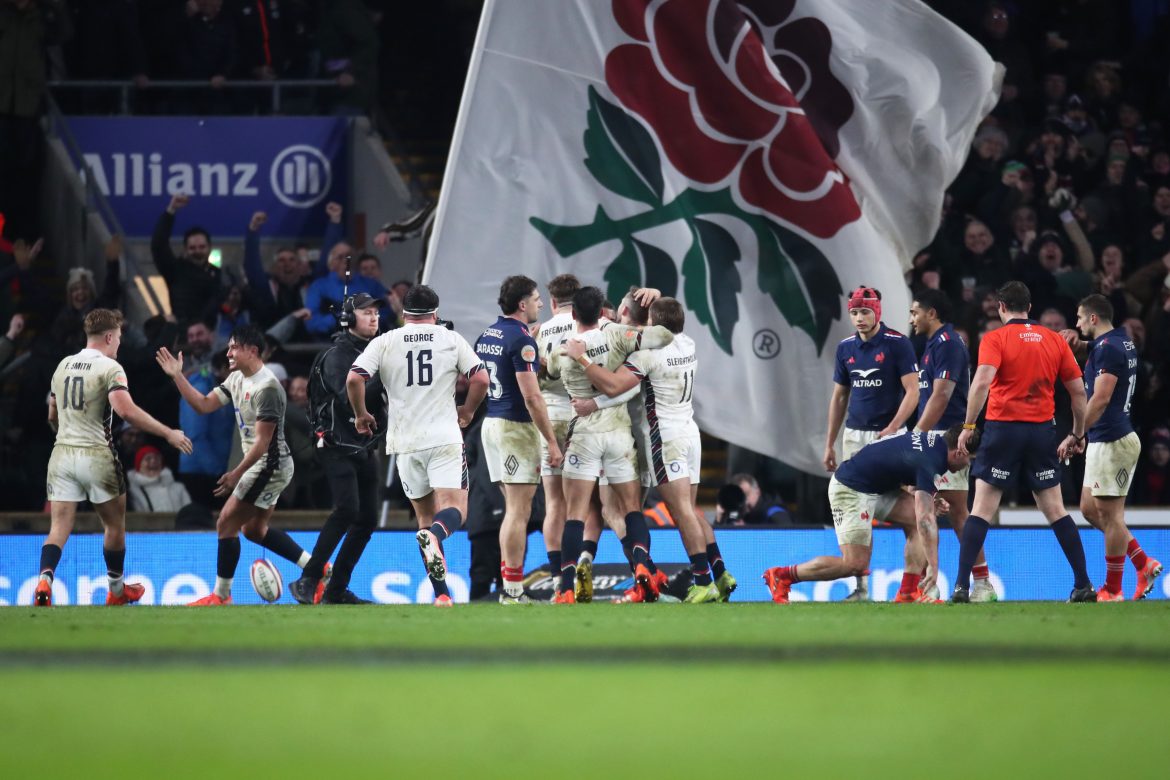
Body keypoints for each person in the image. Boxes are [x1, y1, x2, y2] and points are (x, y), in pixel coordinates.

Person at [565, 297, 730, 603]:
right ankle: (719, 573)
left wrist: (584, 363)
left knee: (653, 511)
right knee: (688, 510)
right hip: (690, 433)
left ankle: (699, 580)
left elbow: (616, 387)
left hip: (658, 440)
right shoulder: (688, 342)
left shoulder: (646, 356)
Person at [36, 309, 193, 607]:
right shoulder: (110, 367)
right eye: (119, 338)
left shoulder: (63, 365)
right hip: (97, 456)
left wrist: (67, 431)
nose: (119, 344)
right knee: (114, 525)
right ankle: (117, 591)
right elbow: (126, 411)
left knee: (58, 527)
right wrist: (168, 433)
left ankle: (45, 578)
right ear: (109, 336)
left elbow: (52, 415)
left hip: (62, 456)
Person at [952, 281, 1095, 603]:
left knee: (982, 510)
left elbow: (982, 383)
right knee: (1056, 510)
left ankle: (962, 586)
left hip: (1003, 431)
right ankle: (1084, 584)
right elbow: (1078, 392)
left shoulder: (995, 338)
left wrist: (969, 425)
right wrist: (1078, 433)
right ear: (1029, 308)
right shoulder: (1052, 339)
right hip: (1042, 432)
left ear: (1001, 308)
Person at [155, 325, 319, 605]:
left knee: (225, 523)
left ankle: (221, 596)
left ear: (252, 351)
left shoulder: (267, 388)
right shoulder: (236, 379)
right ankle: (318, 570)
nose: (228, 353)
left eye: (234, 348)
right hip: (264, 463)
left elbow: (262, 443)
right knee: (253, 530)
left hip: (269, 465)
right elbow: (204, 405)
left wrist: (235, 474)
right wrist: (178, 376)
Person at [346, 285, 488, 606]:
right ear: (435, 313)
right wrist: (467, 411)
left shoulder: (385, 341)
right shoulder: (450, 338)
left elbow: (354, 378)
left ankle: (441, 596)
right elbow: (480, 378)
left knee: (424, 518)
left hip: (405, 443)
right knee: (454, 511)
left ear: (404, 314)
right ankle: (436, 538)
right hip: (443, 437)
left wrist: (361, 415)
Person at [547, 286, 674, 604]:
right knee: (632, 509)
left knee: (575, 514)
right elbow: (664, 337)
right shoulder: (620, 334)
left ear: (573, 314)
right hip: (619, 434)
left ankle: (564, 589)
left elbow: (546, 372)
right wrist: (654, 303)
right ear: (602, 313)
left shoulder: (563, 349)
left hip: (585, 435)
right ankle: (643, 567)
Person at [763, 425, 973, 604]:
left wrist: (929, 500)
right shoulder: (932, 461)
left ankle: (908, 591)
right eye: (969, 460)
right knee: (854, 564)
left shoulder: (933, 443)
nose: (968, 466)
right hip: (850, 489)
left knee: (913, 518)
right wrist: (934, 568)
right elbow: (925, 519)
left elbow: (906, 469)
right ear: (959, 452)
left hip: (876, 488)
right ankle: (782, 576)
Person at [289, 293, 387, 605]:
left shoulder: (373, 351)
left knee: (368, 518)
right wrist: (386, 374)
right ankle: (309, 579)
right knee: (347, 509)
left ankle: (335, 590)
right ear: (348, 319)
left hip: (361, 445)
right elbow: (350, 395)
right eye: (366, 312)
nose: (373, 318)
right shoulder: (337, 356)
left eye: (375, 313)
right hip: (334, 443)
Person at [1063, 294, 1162, 600]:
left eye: (1080, 318)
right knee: (1090, 509)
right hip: (1104, 440)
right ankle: (1142, 562)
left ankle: (1113, 589)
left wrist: (1077, 434)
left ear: (1094, 318)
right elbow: (1106, 350)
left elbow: (1102, 398)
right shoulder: (1122, 341)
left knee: (1112, 515)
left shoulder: (1109, 349)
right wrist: (1082, 345)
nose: (1077, 324)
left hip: (1115, 440)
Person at [824, 286, 919, 601]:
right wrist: (829, 444)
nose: (859, 318)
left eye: (865, 311)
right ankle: (861, 588)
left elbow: (913, 391)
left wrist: (894, 427)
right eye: (854, 312)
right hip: (855, 437)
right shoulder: (845, 348)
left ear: (877, 312)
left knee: (916, 511)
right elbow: (839, 397)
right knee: (859, 512)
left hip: (890, 437)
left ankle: (913, 586)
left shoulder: (897, 344)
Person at [473, 275, 563, 603]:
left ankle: (510, 587)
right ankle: (511, 589)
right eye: (537, 298)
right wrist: (552, 442)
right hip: (515, 428)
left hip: (491, 424)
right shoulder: (521, 340)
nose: (541, 303)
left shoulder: (488, 334)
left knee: (514, 508)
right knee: (518, 511)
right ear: (522, 304)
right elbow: (533, 398)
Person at [909, 289, 997, 602]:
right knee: (926, 507)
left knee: (957, 511)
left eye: (915, 312)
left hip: (945, 437)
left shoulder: (947, 345)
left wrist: (916, 434)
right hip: (935, 436)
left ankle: (980, 583)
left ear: (932, 313)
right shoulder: (933, 345)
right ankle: (928, 584)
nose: (911, 318)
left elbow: (942, 396)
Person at [534, 273, 581, 598]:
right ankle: (574, 574)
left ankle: (556, 577)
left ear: (552, 302)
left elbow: (533, 373)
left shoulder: (539, 332)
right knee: (583, 505)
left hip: (549, 416)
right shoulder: (584, 327)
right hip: (581, 413)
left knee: (553, 502)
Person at [151, 194, 223, 324]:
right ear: (185, 250)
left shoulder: (217, 273)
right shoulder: (175, 270)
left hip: (210, 335)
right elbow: (158, 245)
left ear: (209, 248)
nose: (197, 251)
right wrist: (171, 210)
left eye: (202, 247)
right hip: (182, 332)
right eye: (192, 248)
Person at [127, 445, 192, 513]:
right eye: (148, 458)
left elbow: (189, 513)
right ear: (139, 466)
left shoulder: (178, 488)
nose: (153, 461)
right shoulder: (132, 491)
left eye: (157, 458)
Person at [715, 474, 790, 526]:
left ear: (758, 491)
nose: (744, 501)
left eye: (746, 495)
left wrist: (747, 531)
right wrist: (719, 521)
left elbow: (787, 542)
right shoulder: (735, 514)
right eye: (739, 496)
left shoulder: (775, 513)